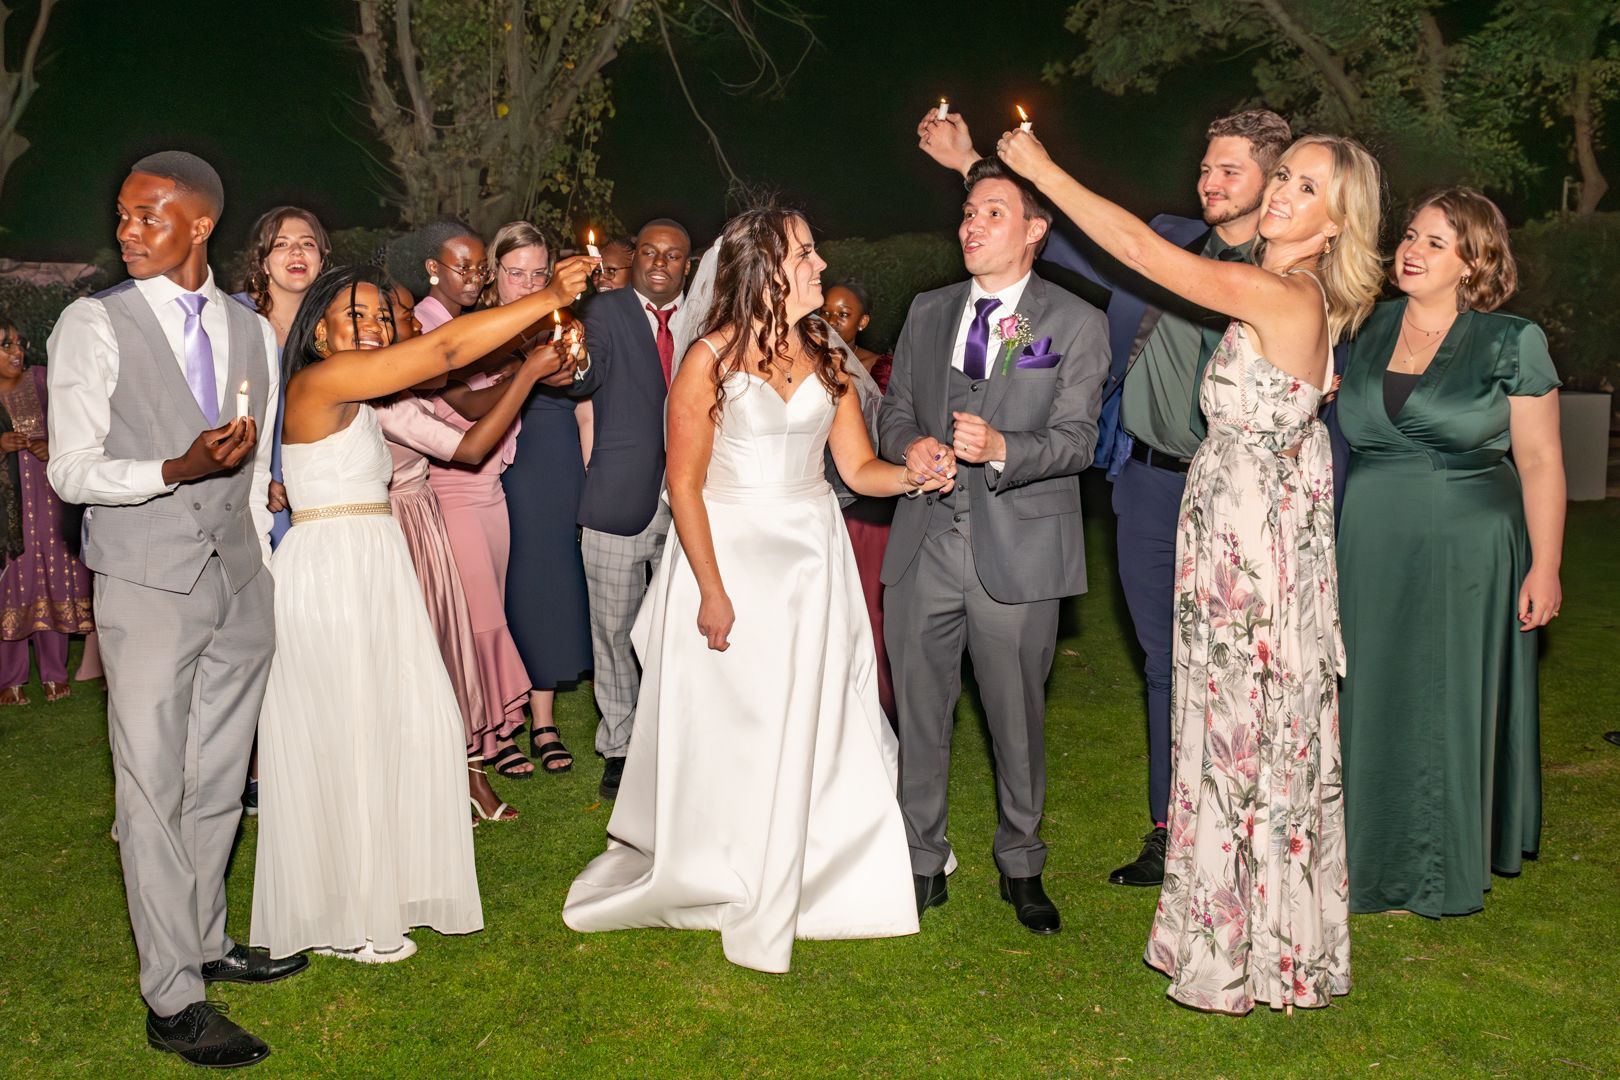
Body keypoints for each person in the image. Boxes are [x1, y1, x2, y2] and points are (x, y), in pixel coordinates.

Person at [999, 127, 1383, 1012]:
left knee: (1241, 739)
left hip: (1250, 556)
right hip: (1235, 535)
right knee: (1228, 732)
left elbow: (1142, 254)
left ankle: (1245, 948)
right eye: (1284, 176)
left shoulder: (1283, 295)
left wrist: (1044, 170)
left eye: (1308, 189)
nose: (1283, 192)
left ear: (1336, 224)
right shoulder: (1287, 293)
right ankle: (1246, 931)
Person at [919, 106, 1294, 888]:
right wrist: (968, 164)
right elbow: (1049, 238)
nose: (1211, 182)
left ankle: (1258, 828)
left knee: (1254, 665)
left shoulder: (1291, 273)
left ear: (1274, 180)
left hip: (1247, 496)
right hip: (1152, 485)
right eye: (1206, 167)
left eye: (1231, 170)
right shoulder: (1165, 242)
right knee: (1164, 663)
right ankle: (1171, 830)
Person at [564, 207, 943, 972]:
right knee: (734, 719)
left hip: (811, 559)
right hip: (729, 555)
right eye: (805, 253)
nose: (818, 263)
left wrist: (913, 475)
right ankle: (722, 859)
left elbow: (858, 468)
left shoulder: (826, 353)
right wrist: (710, 589)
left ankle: (816, 859)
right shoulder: (709, 359)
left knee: (813, 708)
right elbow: (684, 484)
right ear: (767, 269)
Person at [249, 255, 594, 964]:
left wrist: (526, 370)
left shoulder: (371, 399)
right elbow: (442, 351)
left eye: (382, 314)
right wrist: (547, 298)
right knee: (346, 733)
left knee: (396, 724)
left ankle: (378, 891)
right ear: (319, 334)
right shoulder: (320, 382)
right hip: (334, 569)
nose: (375, 325)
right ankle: (345, 918)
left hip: (377, 562)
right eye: (356, 315)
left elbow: (461, 424)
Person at [47, 150, 300, 1068]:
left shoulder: (252, 328)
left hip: (237, 582)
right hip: (147, 583)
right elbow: (69, 469)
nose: (127, 231)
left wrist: (262, 561)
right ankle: (171, 999)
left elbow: (262, 466)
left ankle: (204, 939)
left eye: (147, 216)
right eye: (122, 215)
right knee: (152, 789)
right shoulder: (93, 323)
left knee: (219, 776)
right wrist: (173, 468)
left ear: (200, 224)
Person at [878, 157, 1110, 936]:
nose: (971, 225)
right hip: (924, 543)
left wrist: (1005, 445)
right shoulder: (928, 310)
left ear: (1035, 230)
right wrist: (909, 445)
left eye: (992, 213)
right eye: (969, 212)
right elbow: (894, 409)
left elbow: (1079, 439)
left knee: (1016, 720)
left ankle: (1022, 863)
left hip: (1019, 553)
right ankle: (919, 858)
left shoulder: (1073, 321)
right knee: (920, 712)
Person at [1337, 188, 1565, 918]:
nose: (1412, 250)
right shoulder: (1366, 325)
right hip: (1369, 539)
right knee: (1370, 692)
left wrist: (1546, 565)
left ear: (1475, 261)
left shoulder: (1511, 340)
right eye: (1410, 235)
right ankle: (1363, 854)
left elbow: (1540, 461)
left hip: (1468, 545)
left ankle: (1434, 867)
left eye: (1436, 242)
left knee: (1445, 697)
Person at [372, 279, 571, 820]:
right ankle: (450, 768)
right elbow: (468, 444)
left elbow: (458, 375)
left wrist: (523, 353)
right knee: (438, 644)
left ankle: (469, 764)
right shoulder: (381, 393)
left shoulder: (406, 378)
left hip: (423, 516)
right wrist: (527, 371)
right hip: (394, 524)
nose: (416, 322)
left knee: (451, 640)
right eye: (404, 314)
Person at [569, 218, 691, 799]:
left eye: (673, 255)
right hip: (619, 495)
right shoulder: (604, 310)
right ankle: (619, 745)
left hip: (695, 500)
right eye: (649, 252)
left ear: (688, 265)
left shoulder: (708, 316)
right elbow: (583, 378)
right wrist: (572, 361)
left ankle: (674, 740)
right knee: (613, 630)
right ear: (636, 257)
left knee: (681, 630)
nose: (659, 263)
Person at [231, 205, 330, 816]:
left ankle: (297, 765)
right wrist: (256, 476)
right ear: (261, 258)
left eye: (308, 243)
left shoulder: (331, 325)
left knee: (307, 638)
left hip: (317, 497)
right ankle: (248, 769)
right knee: (252, 638)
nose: (296, 253)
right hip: (246, 498)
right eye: (282, 243)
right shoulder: (234, 321)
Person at [488, 222, 593, 772]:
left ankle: (544, 719)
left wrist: (589, 473)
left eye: (537, 273)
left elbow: (586, 403)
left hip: (553, 459)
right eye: (516, 273)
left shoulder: (565, 324)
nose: (528, 284)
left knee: (546, 580)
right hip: (491, 460)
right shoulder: (477, 326)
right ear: (494, 272)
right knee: (498, 586)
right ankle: (499, 718)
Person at [0, 317, 93, 703]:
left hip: (47, 494)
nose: (17, 352)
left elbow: (80, 424)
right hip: (8, 509)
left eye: (19, 344)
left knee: (51, 573)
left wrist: (52, 448)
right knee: (13, 577)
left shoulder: (42, 380)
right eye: (6, 345)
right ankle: (10, 678)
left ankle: (54, 672)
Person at [818, 281, 896, 721]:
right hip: (818, 499)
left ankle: (877, 702)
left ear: (863, 322)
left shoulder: (880, 368)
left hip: (866, 504)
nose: (831, 322)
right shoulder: (806, 358)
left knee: (868, 604)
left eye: (843, 315)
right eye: (825, 312)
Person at [414, 219, 489, 331]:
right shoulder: (417, 324)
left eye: (482, 267)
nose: (477, 279)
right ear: (433, 268)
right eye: (464, 268)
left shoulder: (472, 321)